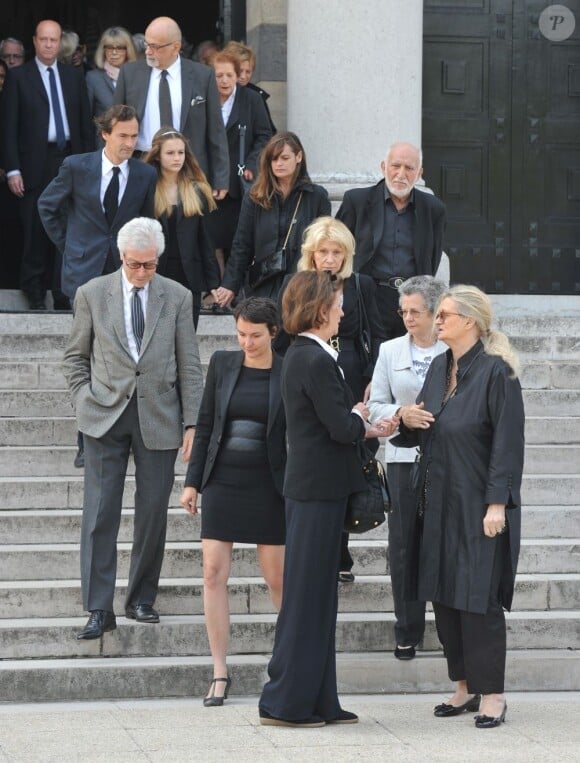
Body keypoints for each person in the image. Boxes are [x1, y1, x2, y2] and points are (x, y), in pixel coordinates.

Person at [258, 271, 397, 727]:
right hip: (316, 491)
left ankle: (319, 700)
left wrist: (360, 423)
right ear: (319, 309)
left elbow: (332, 423)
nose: (343, 310)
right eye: (337, 303)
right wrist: (359, 418)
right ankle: (286, 702)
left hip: (320, 490)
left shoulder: (310, 355)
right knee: (307, 598)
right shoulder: (312, 359)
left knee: (319, 598)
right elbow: (338, 427)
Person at [62, 217, 204, 640]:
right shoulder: (91, 294)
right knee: (99, 514)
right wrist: (83, 398)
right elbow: (74, 357)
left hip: (159, 416)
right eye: (134, 264)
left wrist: (193, 421)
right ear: (121, 256)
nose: (142, 272)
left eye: (150, 264)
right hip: (103, 416)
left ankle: (142, 597)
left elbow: (190, 364)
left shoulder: (178, 296)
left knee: (153, 513)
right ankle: (98, 607)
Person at [392, 284, 525, 728]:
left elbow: (507, 446)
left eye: (446, 314)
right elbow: (428, 426)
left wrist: (496, 505)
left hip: (477, 505)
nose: (438, 320)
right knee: (444, 596)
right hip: (435, 500)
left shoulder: (497, 373)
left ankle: (493, 694)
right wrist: (406, 420)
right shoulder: (437, 367)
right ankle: (464, 686)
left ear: (470, 321)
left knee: (478, 599)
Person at [180, 297, 286, 707]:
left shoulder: (289, 367)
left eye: (255, 335)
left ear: (273, 333)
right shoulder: (224, 364)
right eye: (241, 334)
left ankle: (286, 662)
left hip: (270, 485)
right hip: (223, 480)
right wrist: (193, 483)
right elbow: (206, 425)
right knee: (212, 573)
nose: (247, 342)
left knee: (277, 579)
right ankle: (219, 671)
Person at [274, 216, 386, 582]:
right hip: (313, 374)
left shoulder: (361, 285)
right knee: (327, 458)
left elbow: (378, 333)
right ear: (311, 254)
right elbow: (283, 337)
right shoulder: (298, 286)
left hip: (353, 376)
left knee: (355, 460)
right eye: (323, 251)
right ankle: (333, 552)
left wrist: (372, 378)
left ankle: (344, 537)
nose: (330, 258)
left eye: (337, 252)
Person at [367, 275, 447, 660]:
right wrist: (402, 413)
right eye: (404, 311)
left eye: (416, 312)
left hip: (447, 461)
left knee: (444, 544)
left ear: (435, 313)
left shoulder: (455, 349)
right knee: (403, 546)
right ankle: (407, 630)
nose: (408, 318)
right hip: (402, 459)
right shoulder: (389, 350)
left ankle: (451, 630)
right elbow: (375, 403)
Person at [0, 19, 94, 310]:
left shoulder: (73, 76)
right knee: (35, 230)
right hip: (33, 165)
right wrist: (13, 169)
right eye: (44, 40)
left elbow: (84, 125)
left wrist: (90, 164)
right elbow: (8, 127)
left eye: (54, 40)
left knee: (69, 230)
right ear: (35, 41)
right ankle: (35, 293)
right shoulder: (19, 77)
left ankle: (64, 293)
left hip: (68, 160)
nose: (49, 45)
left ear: (59, 42)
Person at [38, 104, 157, 304]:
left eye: (134, 136)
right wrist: (68, 243)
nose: (130, 143)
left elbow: (146, 222)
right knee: (85, 334)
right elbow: (47, 206)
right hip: (82, 268)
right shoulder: (76, 166)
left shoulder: (146, 174)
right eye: (123, 136)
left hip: (124, 270)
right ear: (105, 134)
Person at [336, 142, 446, 339]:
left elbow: (432, 258)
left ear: (419, 173)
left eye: (409, 168)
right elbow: (337, 247)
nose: (401, 174)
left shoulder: (433, 209)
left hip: (412, 300)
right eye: (395, 166)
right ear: (383, 167)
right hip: (367, 296)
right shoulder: (357, 201)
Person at [114, 16, 229, 196]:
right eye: (147, 44)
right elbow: (116, 125)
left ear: (175, 47)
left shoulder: (202, 76)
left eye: (155, 46)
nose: (148, 51)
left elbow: (216, 130)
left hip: (189, 168)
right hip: (142, 165)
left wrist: (221, 177)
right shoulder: (129, 74)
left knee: (187, 224)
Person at [215, 132, 331, 305]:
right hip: (263, 283)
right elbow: (242, 244)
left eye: (284, 158)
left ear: (298, 156)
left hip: (301, 286)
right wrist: (230, 284)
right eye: (273, 159)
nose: (278, 164)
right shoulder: (255, 196)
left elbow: (324, 243)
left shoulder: (316, 196)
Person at [143, 127, 219, 328]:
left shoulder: (197, 190)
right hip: (155, 274)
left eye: (181, 152)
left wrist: (214, 284)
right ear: (157, 156)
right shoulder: (146, 188)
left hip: (189, 276)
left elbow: (206, 240)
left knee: (186, 336)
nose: (177, 158)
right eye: (170, 153)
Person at [205, 48, 272, 276]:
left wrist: (252, 164)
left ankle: (234, 288)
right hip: (209, 181)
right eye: (218, 75)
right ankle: (216, 286)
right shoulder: (202, 99)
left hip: (240, 182)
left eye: (229, 75)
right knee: (210, 238)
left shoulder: (252, 99)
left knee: (237, 238)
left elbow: (265, 135)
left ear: (237, 76)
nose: (224, 81)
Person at [86, 27, 137, 144]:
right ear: (103, 50)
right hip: (105, 145)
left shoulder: (138, 77)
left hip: (135, 146)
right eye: (109, 47)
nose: (114, 52)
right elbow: (87, 119)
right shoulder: (93, 78)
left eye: (119, 48)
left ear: (128, 50)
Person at [223, 40, 276, 132]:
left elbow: (266, 134)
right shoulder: (212, 94)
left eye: (248, 72)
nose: (243, 76)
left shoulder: (256, 98)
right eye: (240, 70)